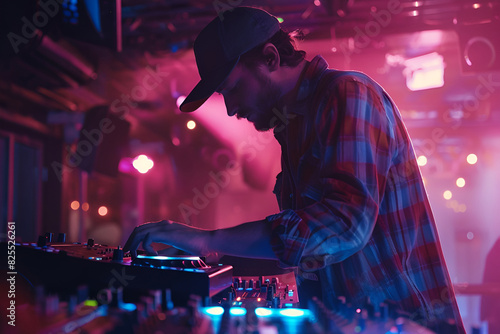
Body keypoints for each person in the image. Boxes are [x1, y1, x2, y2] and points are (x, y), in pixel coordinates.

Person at [124, 6, 465, 332]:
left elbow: (345, 223)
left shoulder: (348, 93)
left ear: (270, 58)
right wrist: (208, 258)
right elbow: (311, 252)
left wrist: (205, 239)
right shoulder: (294, 129)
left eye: (233, 88)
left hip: (402, 324)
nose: (229, 109)